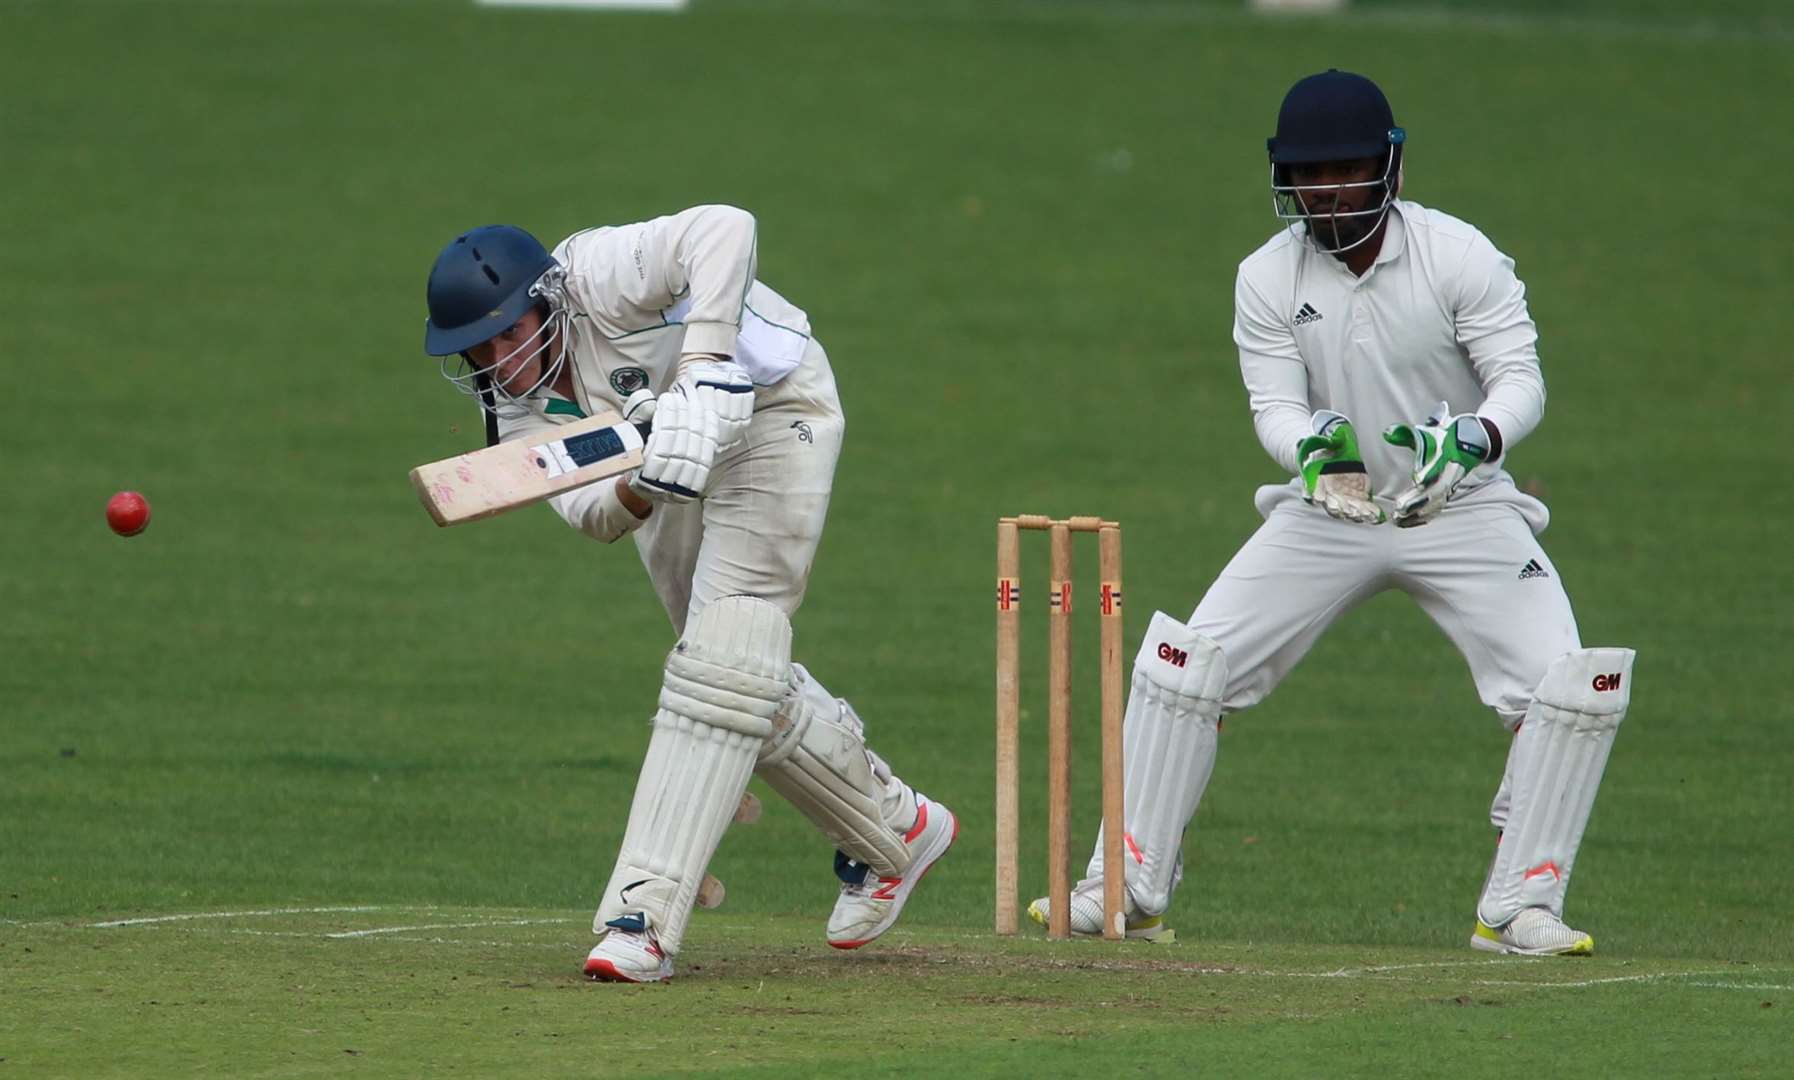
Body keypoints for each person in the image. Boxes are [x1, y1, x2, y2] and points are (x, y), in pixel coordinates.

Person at [1029, 70, 1634, 956]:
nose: (1327, 191)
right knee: (1183, 664)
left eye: (1346, 170)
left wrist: (1475, 436)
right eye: (1310, 174)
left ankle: (1518, 911)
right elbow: (1273, 403)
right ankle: (1125, 889)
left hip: (1457, 507)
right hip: (1333, 512)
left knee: (1572, 687)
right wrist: (1312, 445)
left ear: (1389, 166)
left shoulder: (1459, 255)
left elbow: (1521, 381)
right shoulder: (1266, 276)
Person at [420, 206, 957, 982]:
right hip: (666, 464)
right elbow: (597, 515)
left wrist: (704, 364)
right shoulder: (513, 409)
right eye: (484, 349)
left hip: (773, 411)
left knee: (724, 662)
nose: (506, 361)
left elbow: (726, 227)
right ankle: (901, 831)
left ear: (548, 300)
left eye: (514, 333)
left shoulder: (598, 272)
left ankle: (641, 918)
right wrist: (644, 478)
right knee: (730, 678)